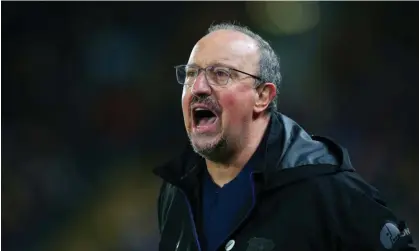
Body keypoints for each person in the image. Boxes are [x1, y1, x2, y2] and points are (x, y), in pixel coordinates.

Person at [153, 22, 416, 251]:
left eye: (220, 74)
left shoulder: (324, 189)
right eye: (190, 74)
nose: (198, 87)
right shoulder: (177, 189)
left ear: (262, 96)